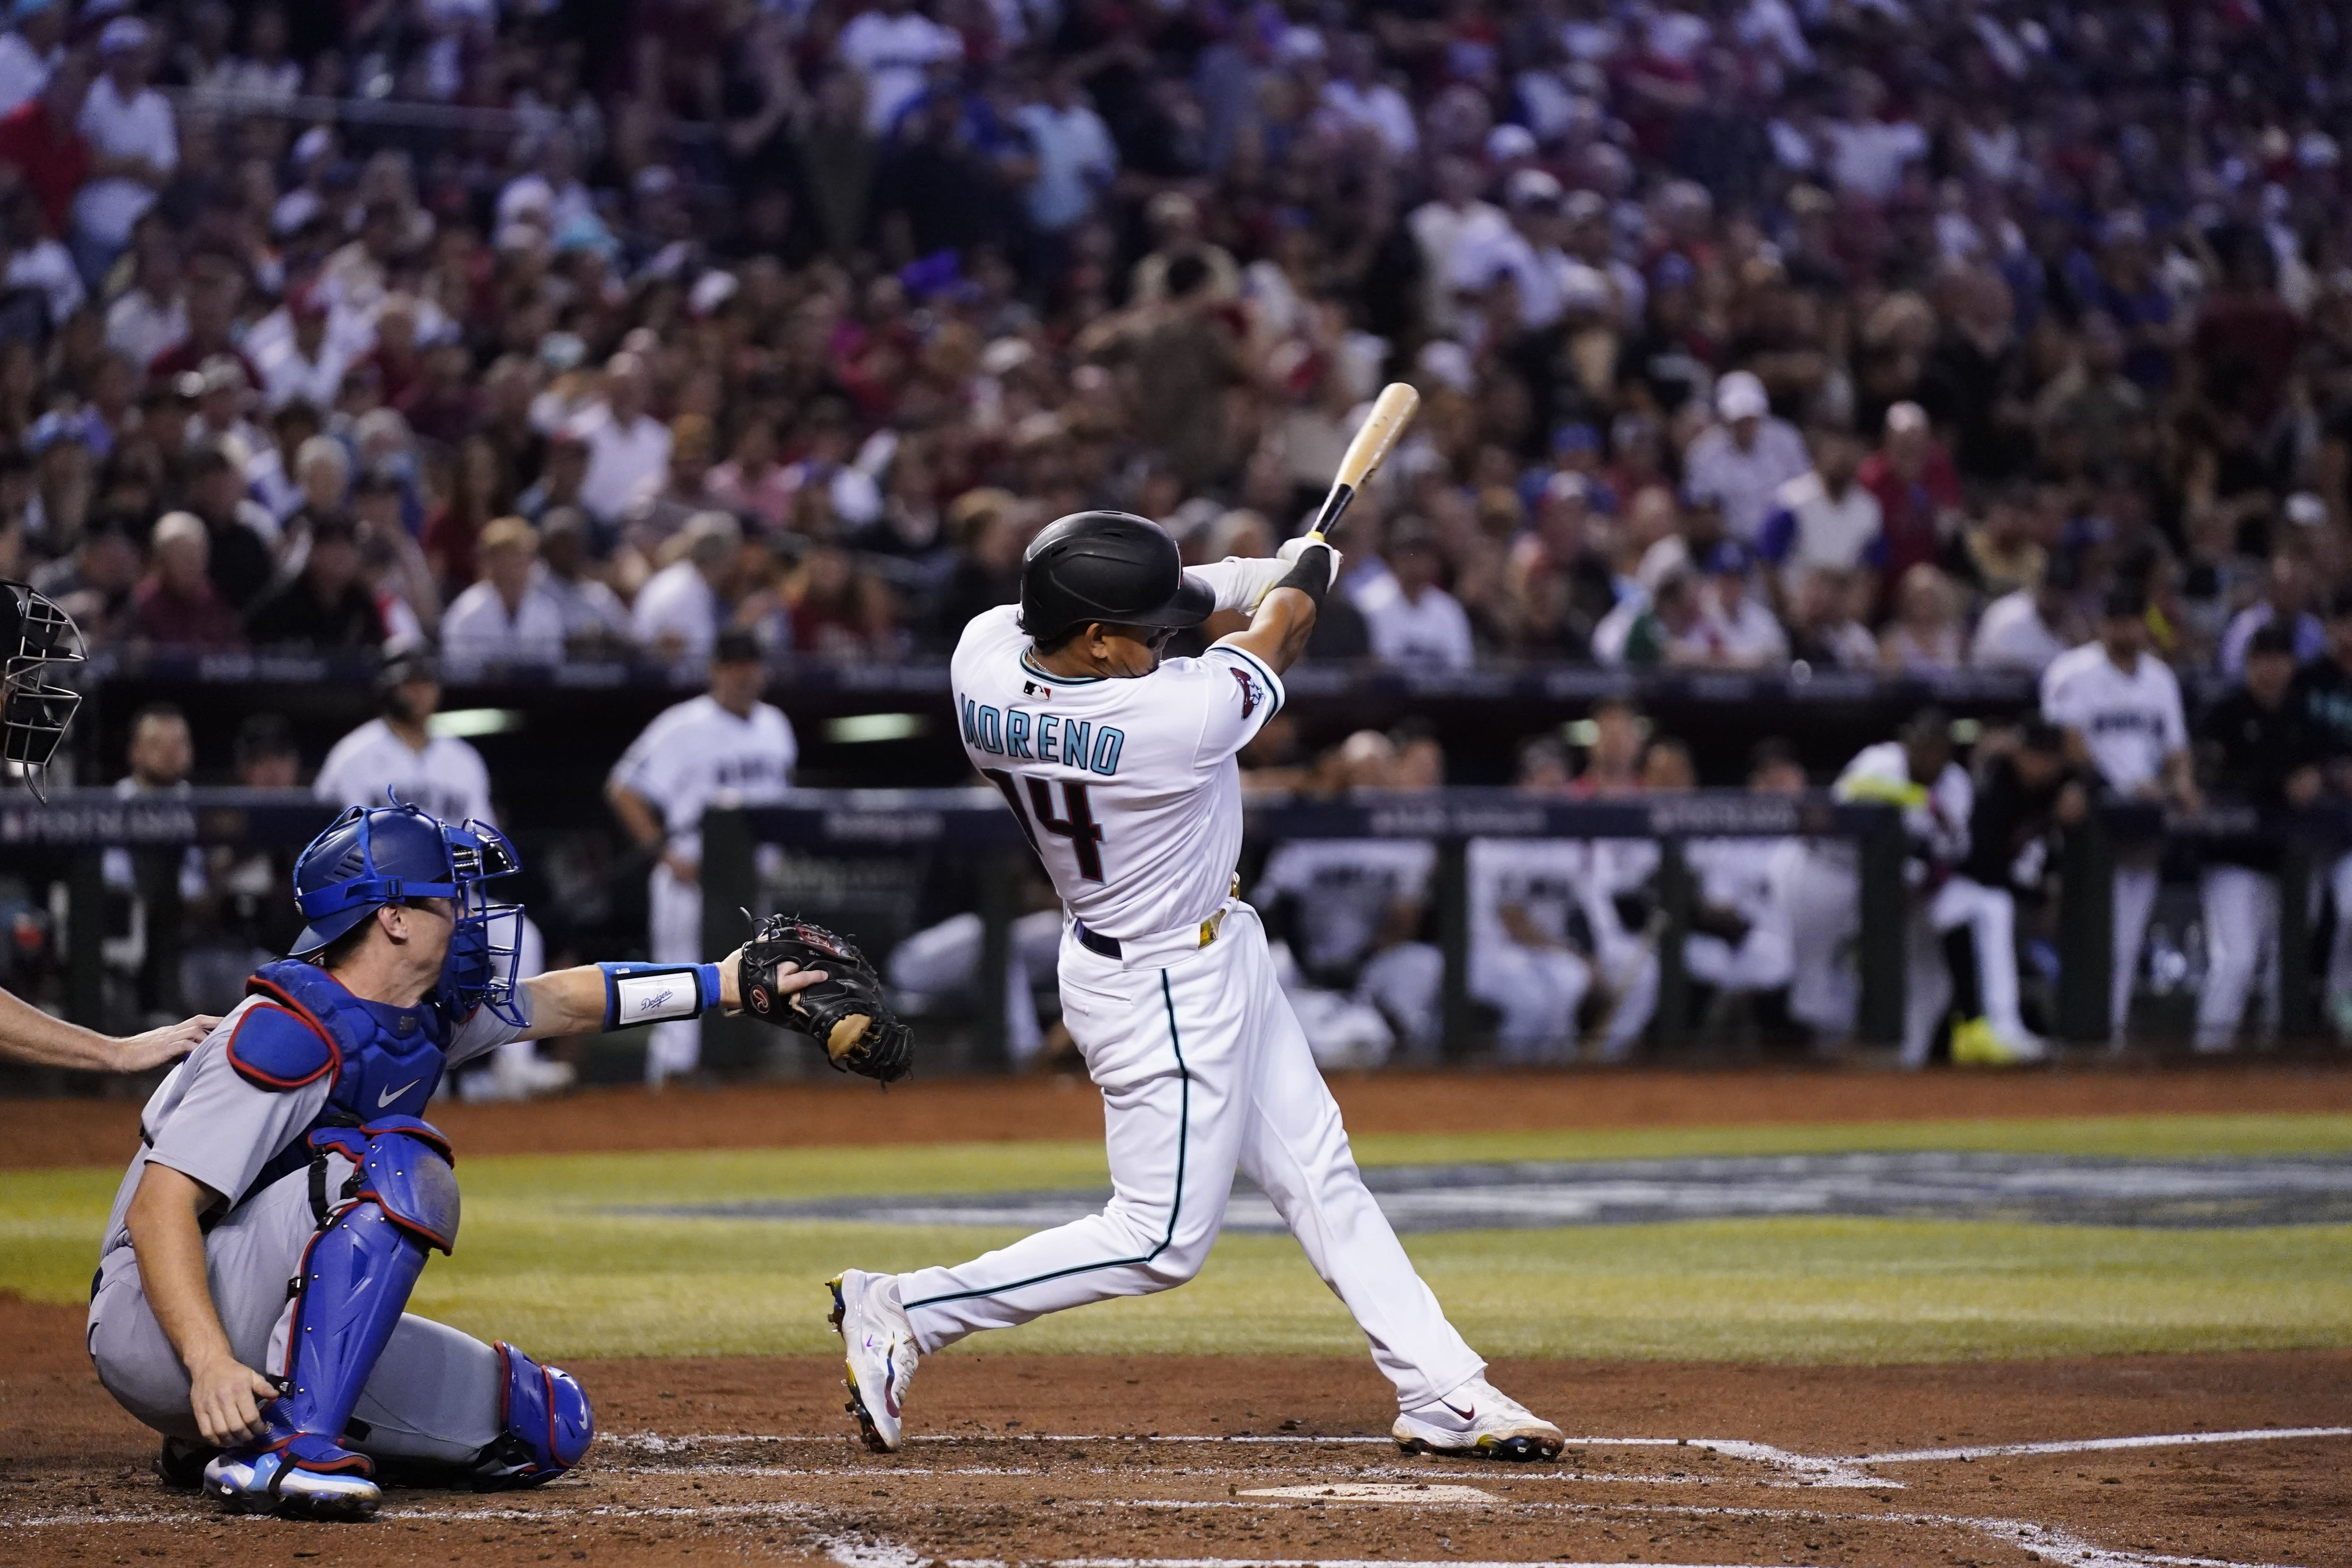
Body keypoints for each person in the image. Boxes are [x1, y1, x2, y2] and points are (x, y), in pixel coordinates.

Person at [826, 511, 1563, 1462]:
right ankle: (903, 1308)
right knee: (1158, 1240)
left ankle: (1441, 1389)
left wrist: (1265, 568)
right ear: (1093, 641)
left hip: (1191, 951)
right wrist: (1301, 574)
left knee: (1317, 1170)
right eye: (1145, 633)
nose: (1165, 641)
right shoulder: (1171, 719)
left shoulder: (981, 655)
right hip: (1160, 982)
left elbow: (1176, 602)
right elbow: (1285, 629)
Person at [84, 799, 828, 1518]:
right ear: (394, 917)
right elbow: (159, 1209)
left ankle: (220, 1431)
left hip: (248, 1307)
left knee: (540, 1422)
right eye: (450, 899)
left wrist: (723, 983)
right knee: (398, 1162)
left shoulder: (418, 1014)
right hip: (156, 1323)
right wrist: (209, 1361)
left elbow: (566, 1000)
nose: (469, 917)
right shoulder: (287, 1029)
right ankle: (293, 1447)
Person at [606, 627, 798, 1085]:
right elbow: (623, 789)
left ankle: (730, 1096)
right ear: (715, 671)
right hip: (693, 880)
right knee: (679, 985)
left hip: (752, 886)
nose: (744, 674)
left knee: (750, 991)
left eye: (751, 664)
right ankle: (671, 1079)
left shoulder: (776, 725)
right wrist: (667, 856)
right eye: (733, 665)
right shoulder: (683, 725)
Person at [2038, 586, 2199, 1046]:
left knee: (2126, 940)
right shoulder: (2073, 672)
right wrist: (2120, 787)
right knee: (2079, 934)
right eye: (2116, 620)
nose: (2125, 630)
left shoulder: (2160, 678)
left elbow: (2177, 750)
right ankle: (2073, 1031)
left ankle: (2109, 1034)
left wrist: (2181, 784)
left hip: (2142, 824)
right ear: (2101, 624)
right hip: (2086, 822)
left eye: (2133, 620)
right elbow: (2068, 744)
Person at [1253, 731, 1444, 1066]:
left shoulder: (1407, 837)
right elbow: (1274, 905)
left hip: (1372, 961)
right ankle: (1267, 1057)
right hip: (1306, 961)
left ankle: (1407, 1050)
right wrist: (1307, 961)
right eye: (1359, 768)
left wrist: (1359, 963)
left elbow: (1405, 919)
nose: (1367, 777)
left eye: (1377, 767)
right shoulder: (1313, 829)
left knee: (1423, 963)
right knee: (1269, 959)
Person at [2194, 624, 2318, 1052]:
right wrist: (2278, 784)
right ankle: (2209, 1051)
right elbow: (2211, 779)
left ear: (2292, 665)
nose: (2271, 669)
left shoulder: (2299, 714)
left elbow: (2321, 766)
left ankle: (2275, 1057)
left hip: (2284, 861)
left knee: (2284, 966)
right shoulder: (2224, 712)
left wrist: (2317, 778)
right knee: (2237, 960)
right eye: (2262, 659)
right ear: (2248, 663)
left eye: (2280, 659)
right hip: (2230, 858)